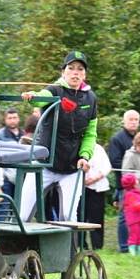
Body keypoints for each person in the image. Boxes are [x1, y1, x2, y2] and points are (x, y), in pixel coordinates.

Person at [19, 50, 97, 222]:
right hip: (43, 164)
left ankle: (69, 249)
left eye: (80, 69)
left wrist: (85, 156)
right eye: (71, 68)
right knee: (23, 215)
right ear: (63, 72)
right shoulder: (54, 89)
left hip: (71, 168)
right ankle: (17, 248)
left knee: (69, 217)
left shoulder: (91, 98)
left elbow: (91, 134)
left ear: (85, 74)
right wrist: (33, 96)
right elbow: (41, 98)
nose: (75, 72)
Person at [109, 109, 140, 253]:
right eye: (131, 119)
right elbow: (115, 162)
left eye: (136, 119)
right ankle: (124, 246)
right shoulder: (117, 139)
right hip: (125, 185)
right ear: (124, 121)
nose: (133, 122)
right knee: (125, 216)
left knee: (139, 215)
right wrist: (132, 172)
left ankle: (138, 244)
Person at [82, 143, 111, 249]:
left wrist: (95, 178)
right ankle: (81, 244)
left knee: (97, 218)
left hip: (97, 188)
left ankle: (97, 245)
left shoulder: (98, 149)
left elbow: (107, 167)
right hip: (81, 188)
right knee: (81, 217)